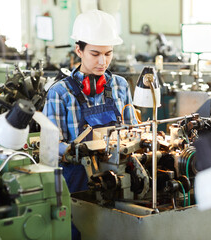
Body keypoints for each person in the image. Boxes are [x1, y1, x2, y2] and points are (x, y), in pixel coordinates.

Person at [43, 9, 137, 193]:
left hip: (120, 178)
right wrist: (76, 150)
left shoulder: (120, 86)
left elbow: (132, 130)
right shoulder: (60, 93)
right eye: (95, 54)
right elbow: (51, 147)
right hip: (78, 182)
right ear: (79, 50)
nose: (103, 61)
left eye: (108, 53)